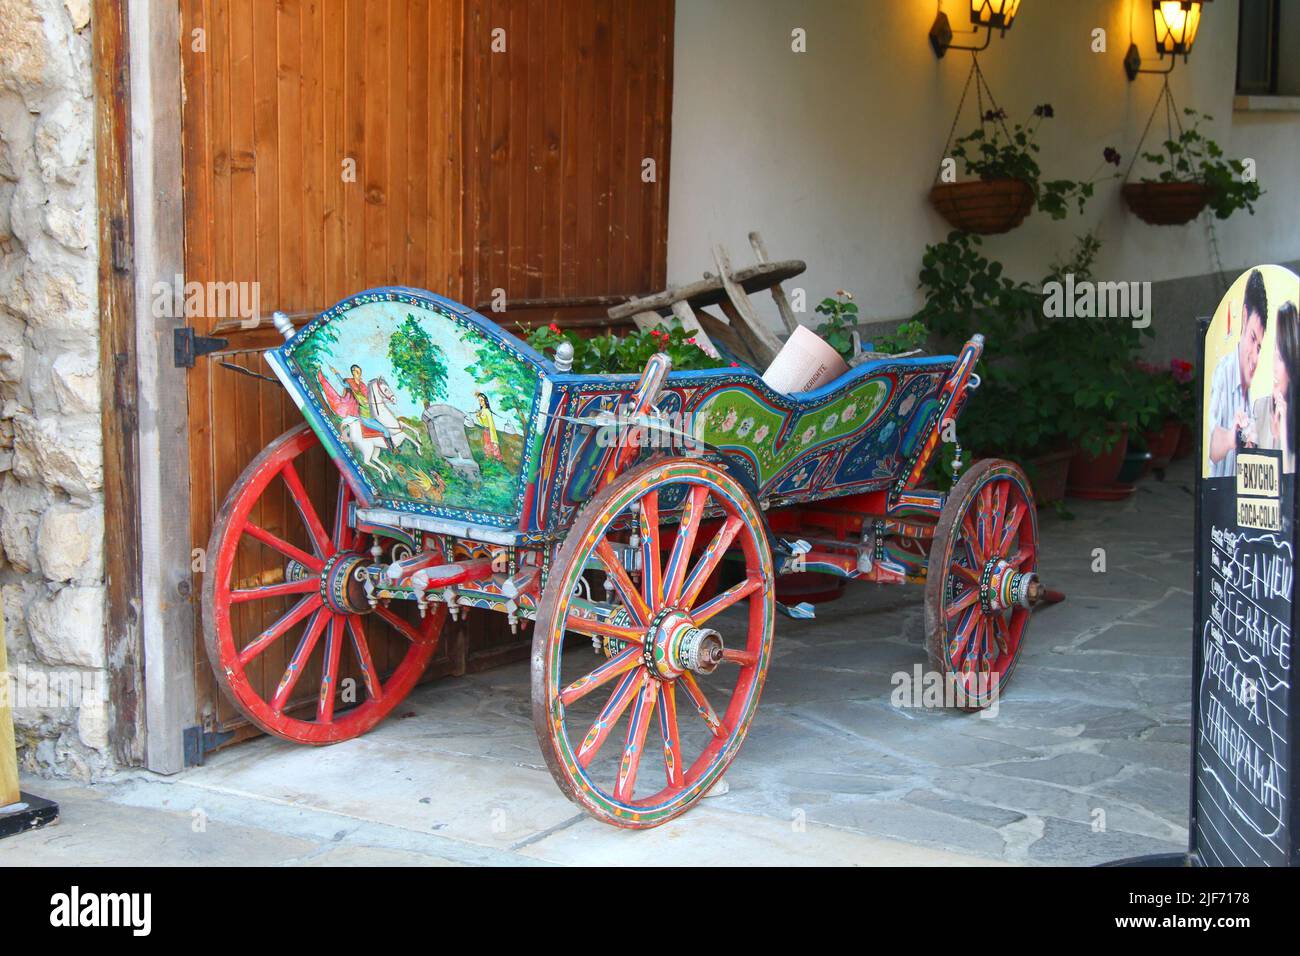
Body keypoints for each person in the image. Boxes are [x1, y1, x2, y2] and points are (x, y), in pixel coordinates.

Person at [1208, 269, 1268, 478]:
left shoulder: (1251, 392)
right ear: (1244, 317)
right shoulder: (1222, 372)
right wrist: (1234, 437)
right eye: (1252, 339)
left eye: (1259, 347)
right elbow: (1210, 448)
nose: (1254, 356)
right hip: (1220, 499)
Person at [1253, 301, 1297, 474]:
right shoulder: (1261, 408)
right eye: (1275, 355)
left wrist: (1284, 428)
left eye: (1280, 358)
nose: (1274, 367)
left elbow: (1289, 480)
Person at [467, 392, 504, 462]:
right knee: (487, 447)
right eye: (479, 400)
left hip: (490, 432)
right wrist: (478, 416)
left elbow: (491, 424)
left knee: (493, 447)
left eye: (481, 400)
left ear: (485, 401)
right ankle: (489, 462)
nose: (480, 402)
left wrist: (494, 439)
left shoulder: (487, 411)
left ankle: (495, 462)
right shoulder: (482, 411)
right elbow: (482, 424)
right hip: (486, 431)